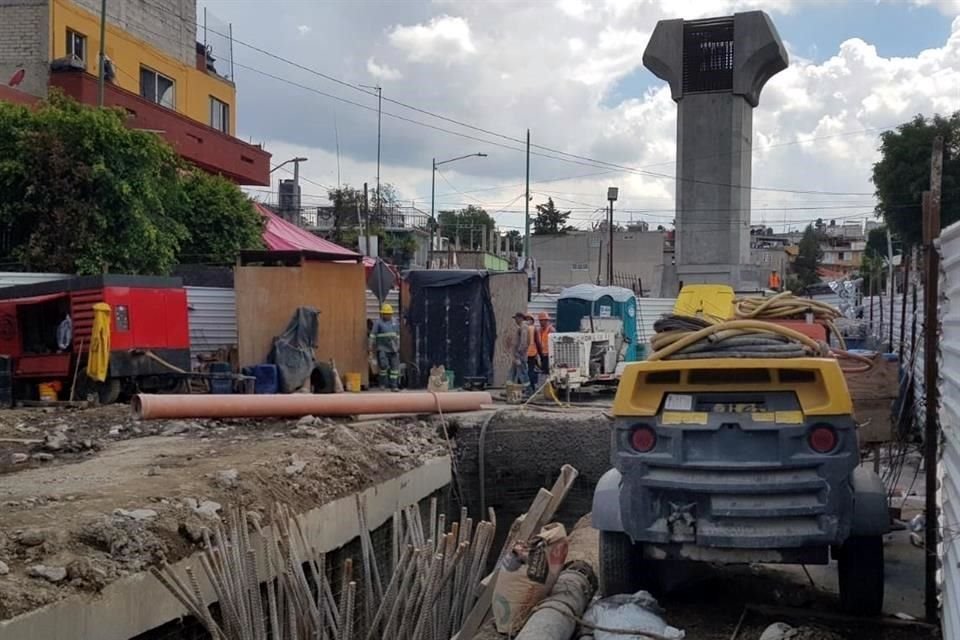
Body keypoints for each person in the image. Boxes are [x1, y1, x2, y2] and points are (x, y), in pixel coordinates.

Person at [370, 303, 400, 391]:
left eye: (389, 314)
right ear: (383, 314)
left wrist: (397, 346)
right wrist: (370, 346)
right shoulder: (378, 323)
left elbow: (397, 335)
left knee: (394, 369)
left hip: (393, 349)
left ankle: (394, 386)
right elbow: (373, 335)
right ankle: (383, 384)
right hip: (382, 348)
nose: (388, 315)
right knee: (383, 366)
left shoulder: (395, 322)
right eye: (386, 314)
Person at [510, 312, 530, 386]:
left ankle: (528, 390)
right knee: (512, 372)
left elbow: (523, 342)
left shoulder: (523, 327)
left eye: (516, 318)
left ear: (520, 318)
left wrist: (518, 353)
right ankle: (510, 389)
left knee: (522, 372)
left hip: (520, 355)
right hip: (517, 355)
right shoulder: (521, 327)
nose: (515, 320)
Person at [537, 312, 554, 376]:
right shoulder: (540, 330)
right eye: (540, 320)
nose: (541, 322)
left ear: (546, 320)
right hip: (542, 354)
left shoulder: (551, 330)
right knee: (543, 371)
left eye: (542, 320)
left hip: (549, 355)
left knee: (548, 371)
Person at [526, 313, 540, 393]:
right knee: (531, 371)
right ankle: (531, 388)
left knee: (526, 371)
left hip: (527, 353)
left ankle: (528, 388)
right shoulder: (534, 329)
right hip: (531, 353)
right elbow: (537, 342)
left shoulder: (523, 328)